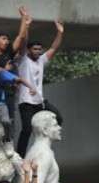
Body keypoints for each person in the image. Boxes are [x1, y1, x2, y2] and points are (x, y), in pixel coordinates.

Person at [15, 17, 64, 156]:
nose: (37, 51)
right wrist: (27, 26)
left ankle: (45, 141)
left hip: (40, 101)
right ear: (29, 50)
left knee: (58, 118)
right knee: (26, 129)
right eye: (35, 49)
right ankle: (20, 155)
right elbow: (23, 42)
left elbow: (54, 47)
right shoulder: (23, 59)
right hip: (26, 102)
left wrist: (60, 32)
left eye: (39, 49)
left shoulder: (41, 60)